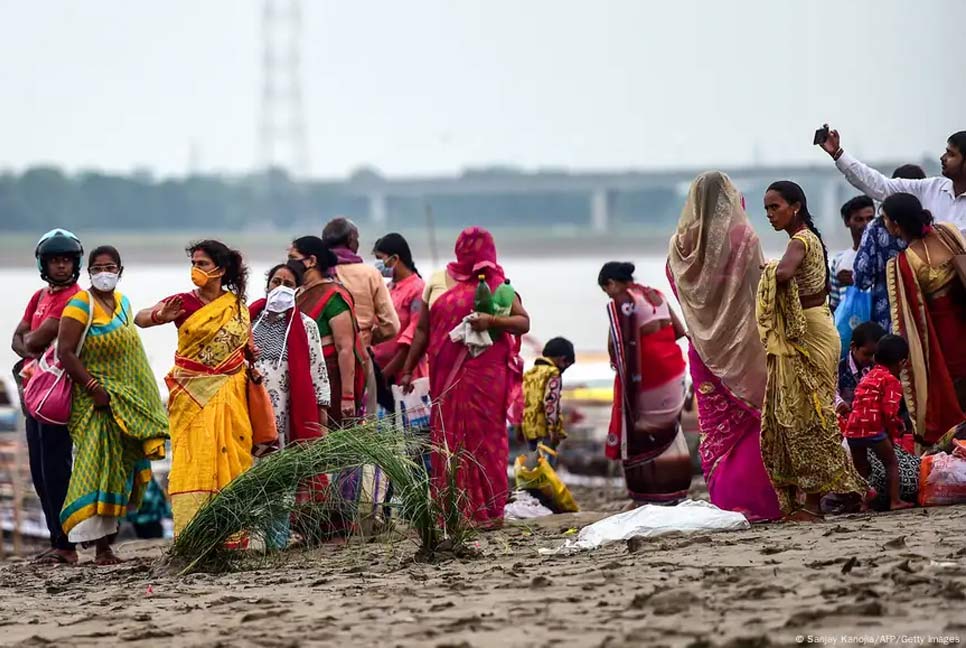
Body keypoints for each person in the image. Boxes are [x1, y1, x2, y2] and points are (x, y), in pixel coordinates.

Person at [667, 171, 781, 522]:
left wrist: (708, 319)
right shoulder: (744, 237)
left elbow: (678, 288)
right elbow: (759, 289)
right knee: (751, 419)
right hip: (744, 346)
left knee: (718, 425)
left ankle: (728, 501)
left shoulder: (680, 245)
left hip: (703, 348)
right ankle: (762, 501)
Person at [399, 227, 530, 528]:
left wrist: (492, 320)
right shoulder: (437, 283)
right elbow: (422, 331)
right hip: (448, 380)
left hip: (486, 380)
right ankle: (455, 512)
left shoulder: (498, 286)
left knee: (487, 441)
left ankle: (488, 512)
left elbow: (523, 322)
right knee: (449, 439)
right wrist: (408, 368)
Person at [757, 181, 866, 520]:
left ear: (796, 206)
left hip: (810, 334)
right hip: (811, 327)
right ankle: (827, 496)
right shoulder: (809, 239)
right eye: (767, 210)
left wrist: (768, 268)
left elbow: (786, 272)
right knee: (798, 414)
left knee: (809, 416)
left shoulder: (800, 240)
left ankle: (815, 504)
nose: (770, 215)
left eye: (775, 207)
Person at [134, 240, 255, 536]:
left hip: (232, 392)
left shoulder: (237, 307)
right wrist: (159, 317)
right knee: (193, 458)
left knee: (233, 456)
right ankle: (193, 532)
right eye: (194, 264)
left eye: (202, 264)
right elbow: (140, 317)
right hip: (192, 395)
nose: (195, 270)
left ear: (221, 269)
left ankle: (231, 532)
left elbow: (247, 346)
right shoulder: (184, 302)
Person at [57, 246, 168, 564]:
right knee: (96, 470)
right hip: (95, 404)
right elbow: (66, 353)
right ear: (88, 272)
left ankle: (108, 545)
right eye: (97, 267)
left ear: (120, 270)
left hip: (125, 405)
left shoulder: (123, 303)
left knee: (121, 472)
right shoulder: (80, 305)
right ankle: (97, 547)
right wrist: (93, 388)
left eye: (110, 267)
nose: (104, 272)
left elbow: (131, 355)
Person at [11, 229, 84, 565]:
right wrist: (30, 343)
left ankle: (66, 544)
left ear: (76, 263)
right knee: (39, 472)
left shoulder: (74, 299)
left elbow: (34, 340)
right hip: (32, 393)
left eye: (66, 260)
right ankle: (57, 540)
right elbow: (17, 338)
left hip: (56, 396)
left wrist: (30, 343)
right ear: (43, 263)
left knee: (57, 470)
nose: (61, 266)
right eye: (55, 260)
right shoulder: (40, 296)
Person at [599, 261, 692, 506]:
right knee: (668, 432)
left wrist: (622, 364)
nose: (608, 294)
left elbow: (615, 343)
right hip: (673, 372)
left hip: (648, 378)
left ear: (612, 283)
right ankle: (674, 492)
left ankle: (645, 496)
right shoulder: (657, 295)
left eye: (606, 289)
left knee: (639, 432)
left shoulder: (624, 302)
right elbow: (680, 330)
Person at [882, 193, 966, 445]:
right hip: (960, 319)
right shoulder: (948, 232)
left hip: (941, 333)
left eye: (885, 219)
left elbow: (908, 317)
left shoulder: (905, 261)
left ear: (896, 225)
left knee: (954, 387)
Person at [820, 127, 966, 234]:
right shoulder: (932, 188)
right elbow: (881, 186)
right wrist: (838, 154)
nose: (943, 158)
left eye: (951, 154)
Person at [322, 218, 400, 416]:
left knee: (326, 423)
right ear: (350, 240)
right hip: (360, 357)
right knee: (365, 423)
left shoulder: (318, 274)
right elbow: (391, 325)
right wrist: (367, 337)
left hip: (321, 361)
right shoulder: (369, 274)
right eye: (356, 238)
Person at [250, 262, 331, 447]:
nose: (280, 288)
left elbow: (318, 372)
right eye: (276, 282)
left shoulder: (306, 325)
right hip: (250, 407)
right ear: (267, 286)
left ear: (298, 290)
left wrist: (321, 421)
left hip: (284, 411)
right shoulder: (248, 320)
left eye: (288, 285)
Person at [292, 236, 367, 428]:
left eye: (293, 257)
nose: (290, 264)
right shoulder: (297, 294)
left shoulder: (333, 296)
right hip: (300, 377)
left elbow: (345, 348)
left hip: (329, 378)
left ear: (311, 261)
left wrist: (347, 396)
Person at [843, 335, 914, 511]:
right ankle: (895, 500)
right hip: (873, 429)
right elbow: (889, 412)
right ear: (902, 362)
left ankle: (863, 503)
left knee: (861, 468)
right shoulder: (891, 381)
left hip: (853, 429)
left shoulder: (867, 376)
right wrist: (895, 430)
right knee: (891, 462)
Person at [852, 166, 925, 331]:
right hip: (924, 316)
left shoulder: (877, 227)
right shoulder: (930, 226)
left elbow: (861, 278)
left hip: (887, 317)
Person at [371, 233, 428, 387]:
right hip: (381, 376)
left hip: (405, 377)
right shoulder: (388, 288)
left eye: (380, 258)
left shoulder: (418, 289)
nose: (377, 264)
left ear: (395, 259)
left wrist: (384, 375)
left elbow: (414, 336)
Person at [520, 337, 575, 456]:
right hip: (544, 432)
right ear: (563, 359)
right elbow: (550, 404)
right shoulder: (553, 374)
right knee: (546, 471)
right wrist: (553, 431)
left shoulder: (530, 374)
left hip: (528, 431)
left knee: (532, 471)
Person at [829, 195, 874, 312]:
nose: (866, 224)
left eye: (870, 219)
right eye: (859, 219)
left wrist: (855, 280)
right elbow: (834, 303)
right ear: (847, 222)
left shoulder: (882, 257)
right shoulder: (839, 260)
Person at [835, 321, 887, 421]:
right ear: (853, 346)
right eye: (867, 354)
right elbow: (831, 392)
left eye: (875, 355)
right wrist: (839, 403)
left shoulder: (877, 370)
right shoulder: (839, 368)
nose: (872, 359)